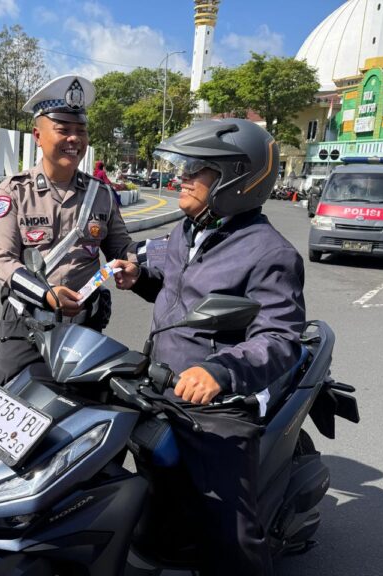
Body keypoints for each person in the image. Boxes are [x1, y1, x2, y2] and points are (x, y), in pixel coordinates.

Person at [112, 118, 306, 576]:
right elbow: (178, 290)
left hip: (218, 404)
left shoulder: (270, 252)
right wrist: (140, 278)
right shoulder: (187, 230)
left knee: (231, 529)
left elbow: (281, 339)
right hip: (158, 383)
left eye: (196, 168)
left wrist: (220, 373)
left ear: (236, 179)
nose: (181, 176)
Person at [0, 74, 134, 384]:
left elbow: (121, 246)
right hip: (27, 326)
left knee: (81, 413)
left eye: (80, 131)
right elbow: (4, 261)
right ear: (38, 135)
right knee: (6, 401)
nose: (74, 139)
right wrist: (46, 295)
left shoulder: (101, 194)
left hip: (83, 330)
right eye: (63, 130)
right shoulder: (14, 192)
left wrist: (130, 263)